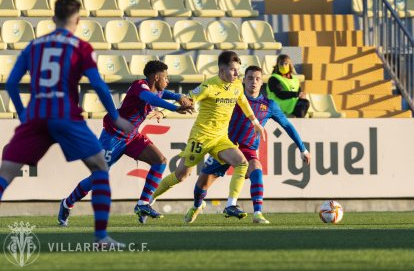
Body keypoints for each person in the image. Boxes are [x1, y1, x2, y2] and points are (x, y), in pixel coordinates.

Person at [0, 0, 134, 247]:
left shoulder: (34, 45)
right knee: (99, 168)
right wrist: (115, 116)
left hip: (36, 116)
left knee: (5, 174)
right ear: (78, 20)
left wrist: (22, 114)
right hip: (66, 115)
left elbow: (11, 84)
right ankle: (101, 237)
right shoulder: (80, 47)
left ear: (53, 19)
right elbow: (97, 84)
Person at [57, 60, 194, 225]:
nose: (168, 81)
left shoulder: (156, 89)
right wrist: (174, 108)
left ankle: (143, 204)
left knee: (160, 161)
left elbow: (163, 95)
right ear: (156, 77)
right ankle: (67, 203)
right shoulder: (140, 87)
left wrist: (179, 96)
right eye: (166, 77)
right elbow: (151, 98)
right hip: (113, 136)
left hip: (131, 136)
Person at [184, 66, 311, 224]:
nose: (253, 82)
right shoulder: (233, 97)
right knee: (201, 185)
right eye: (250, 78)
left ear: (262, 82)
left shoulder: (269, 105)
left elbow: (287, 126)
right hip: (224, 146)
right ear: (243, 80)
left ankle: (257, 213)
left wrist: (303, 149)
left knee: (257, 169)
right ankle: (197, 206)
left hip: (248, 149)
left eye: (257, 79)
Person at [148, 51, 265, 221]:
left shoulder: (237, 85)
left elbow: (243, 101)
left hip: (220, 138)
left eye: (238, 70)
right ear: (222, 69)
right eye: (233, 70)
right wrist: (164, 112)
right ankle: (148, 200)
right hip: (201, 138)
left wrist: (255, 121)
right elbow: (187, 100)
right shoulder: (208, 86)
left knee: (242, 163)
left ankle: (230, 205)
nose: (236, 74)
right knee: (181, 175)